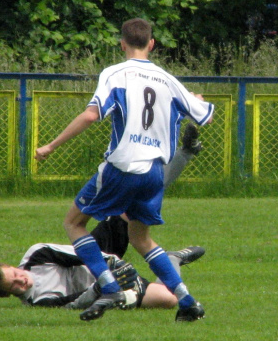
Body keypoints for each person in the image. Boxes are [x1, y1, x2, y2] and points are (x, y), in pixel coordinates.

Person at [35, 17, 214, 322]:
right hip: (156, 172)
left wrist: (51, 146)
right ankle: (187, 302)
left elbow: (92, 116)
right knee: (140, 238)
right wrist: (195, 99)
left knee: (74, 224)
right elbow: (203, 115)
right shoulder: (168, 79)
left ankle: (109, 287)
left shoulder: (115, 73)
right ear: (152, 44)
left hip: (123, 167)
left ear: (122, 44)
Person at [0, 236, 206, 311]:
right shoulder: (39, 302)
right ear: (8, 295)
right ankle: (173, 259)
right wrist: (102, 287)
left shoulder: (37, 255)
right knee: (169, 300)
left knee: (124, 213)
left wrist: (110, 264)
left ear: (11, 266)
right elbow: (76, 302)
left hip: (99, 256)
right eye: (14, 286)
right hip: (105, 288)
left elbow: (78, 252)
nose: (22, 280)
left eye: (15, 274)